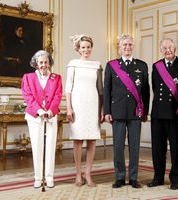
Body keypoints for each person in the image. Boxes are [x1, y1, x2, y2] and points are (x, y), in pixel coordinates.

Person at [103, 34, 150, 189]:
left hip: (136, 111)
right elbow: (107, 90)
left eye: (130, 45)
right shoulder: (111, 65)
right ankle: (120, 177)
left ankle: (134, 178)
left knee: (135, 146)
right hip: (117, 111)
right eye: (124, 45)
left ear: (133, 46)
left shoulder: (142, 65)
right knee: (118, 146)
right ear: (119, 47)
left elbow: (146, 90)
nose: (127, 47)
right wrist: (107, 111)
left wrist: (145, 111)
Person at [65, 34, 103, 187]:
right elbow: (68, 87)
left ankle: (88, 173)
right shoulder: (73, 64)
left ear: (91, 48)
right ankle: (78, 173)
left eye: (88, 47)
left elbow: (101, 90)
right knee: (78, 139)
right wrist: (69, 107)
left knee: (92, 139)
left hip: (93, 104)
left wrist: (102, 109)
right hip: (78, 104)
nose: (86, 49)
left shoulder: (97, 65)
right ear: (78, 49)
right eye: (83, 47)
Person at [21, 50, 62, 188]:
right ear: (36, 64)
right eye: (41, 62)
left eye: (46, 62)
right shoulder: (28, 77)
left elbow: (58, 96)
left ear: (49, 63)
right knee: (37, 147)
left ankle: (49, 177)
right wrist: (39, 111)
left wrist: (50, 111)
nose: (44, 65)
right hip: (35, 117)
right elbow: (28, 96)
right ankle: (38, 178)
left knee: (50, 146)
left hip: (51, 116)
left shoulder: (56, 78)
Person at [147, 38, 178, 190]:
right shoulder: (156, 66)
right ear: (161, 50)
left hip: (175, 113)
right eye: (164, 48)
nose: (168, 50)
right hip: (157, 113)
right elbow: (155, 88)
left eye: (170, 47)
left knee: (175, 148)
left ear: (175, 48)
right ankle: (158, 177)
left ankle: (175, 179)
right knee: (157, 148)